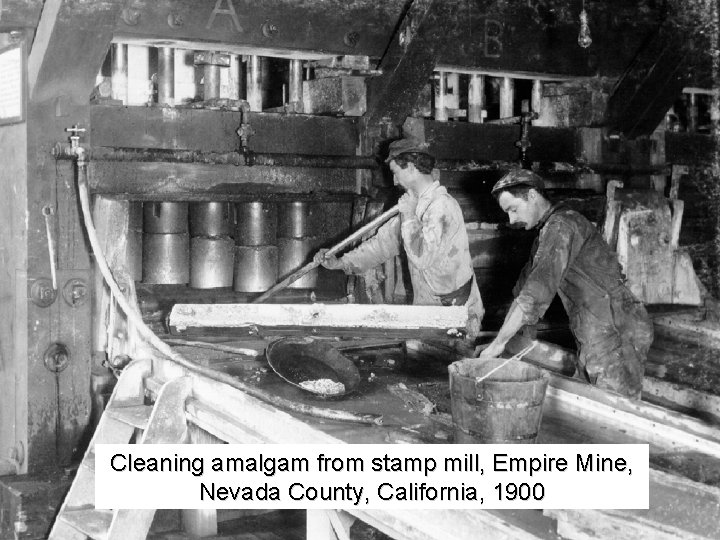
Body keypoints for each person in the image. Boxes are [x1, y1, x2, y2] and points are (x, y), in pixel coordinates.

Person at [477, 169, 653, 399]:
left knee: (614, 411)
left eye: (513, 209)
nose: (511, 220)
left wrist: (498, 345)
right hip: (595, 329)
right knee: (586, 402)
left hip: (616, 329)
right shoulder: (546, 233)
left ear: (532, 195)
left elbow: (535, 293)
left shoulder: (562, 226)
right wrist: (507, 342)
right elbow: (523, 288)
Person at [314, 137, 484, 338]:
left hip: (456, 314)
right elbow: (382, 245)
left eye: (396, 172)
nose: (394, 181)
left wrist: (410, 215)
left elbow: (423, 258)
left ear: (411, 167)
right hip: (429, 311)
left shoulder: (442, 206)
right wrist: (340, 262)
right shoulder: (415, 205)